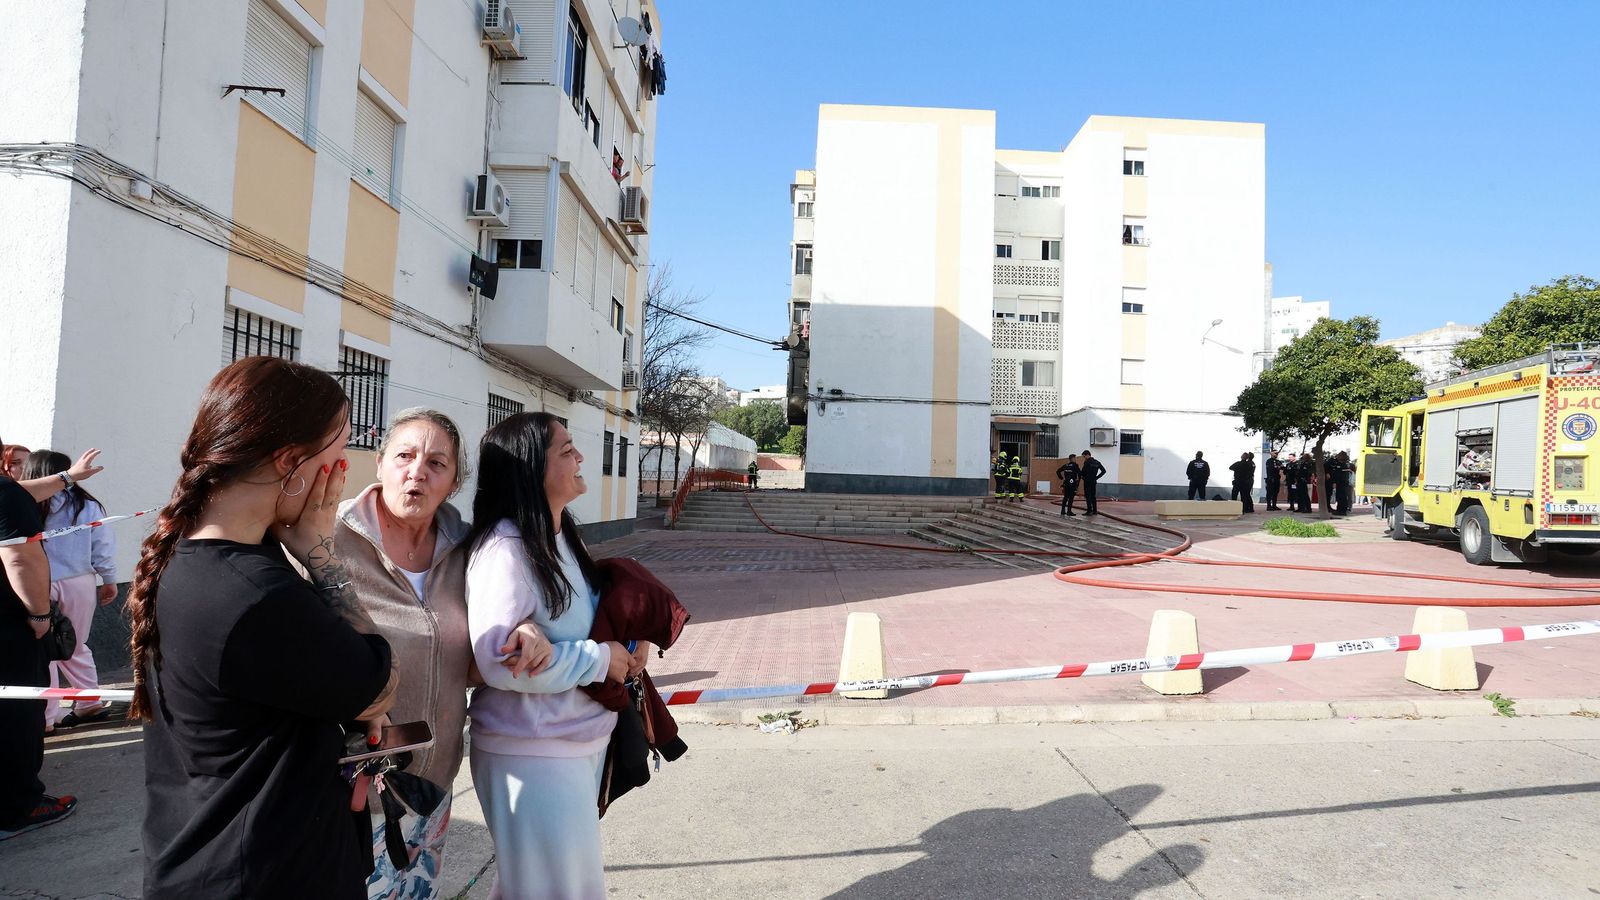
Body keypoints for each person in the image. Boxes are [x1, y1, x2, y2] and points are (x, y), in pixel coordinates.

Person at [130, 357, 399, 896]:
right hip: (262, 874)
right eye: (341, 448)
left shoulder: (198, 556)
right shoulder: (253, 595)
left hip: (214, 856)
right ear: (290, 462)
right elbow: (378, 688)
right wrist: (323, 555)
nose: (344, 468)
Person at [337, 409, 546, 899]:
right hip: (350, 790)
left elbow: (487, 639)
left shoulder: (472, 550)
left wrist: (525, 626)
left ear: (454, 482)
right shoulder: (328, 540)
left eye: (436, 463)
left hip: (433, 783)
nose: (417, 472)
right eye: (404, 456)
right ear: (380, 463)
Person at [464, 412, 633, 899]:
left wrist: (630, 643)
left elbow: (584, 621)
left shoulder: (559, 535)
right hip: (532, 752)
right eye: (566, 449)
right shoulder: (506, 549)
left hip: (573, 744)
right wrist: (599, 660)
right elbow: (498, 663)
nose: (580, 456)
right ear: (530, 468)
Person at [21, 451, 117, 733]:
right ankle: (89, 702)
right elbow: (103, 544)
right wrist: (109, 578)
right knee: (76, 644)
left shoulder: (25, 504)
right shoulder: (88, 505)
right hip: (79, 581)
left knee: (43, 650)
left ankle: (46, 717)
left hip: (37, 581)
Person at [1079, 450, 1106, 515]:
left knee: (1088, 496)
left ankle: (1089, 511)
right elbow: (1104, 471)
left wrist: (1082, 476)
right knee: (1093, 496)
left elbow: (1083, 472)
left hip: (1087, 481)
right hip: (1093, 481)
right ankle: (1095, 511)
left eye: (1084, 456)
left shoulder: (1087, 462)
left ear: (1087, 455)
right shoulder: (1097, 462)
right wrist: (1097, 477)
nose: (1084, 458)